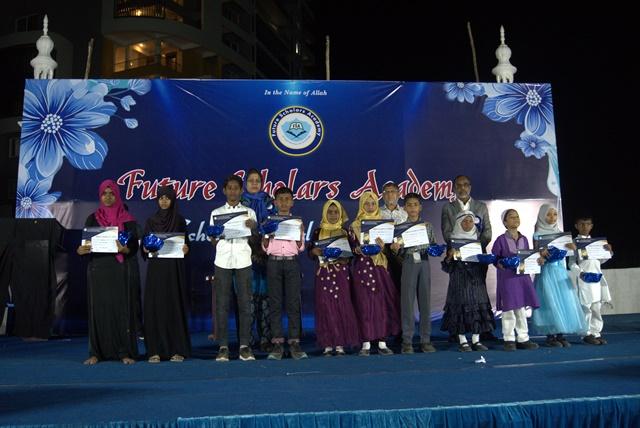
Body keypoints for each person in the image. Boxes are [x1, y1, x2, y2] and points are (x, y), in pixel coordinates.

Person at [76, 180, 139, 365]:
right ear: (100, 196)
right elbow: (85, 245)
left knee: (121, 311)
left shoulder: (128, 219)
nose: (108, 197)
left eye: (112, 193)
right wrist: (80, 251)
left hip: (119, 269)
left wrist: (125, 249)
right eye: (105, 193)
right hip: (97, 269)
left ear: (117, 195)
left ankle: (124, 352)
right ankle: (96, 353)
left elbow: (134, 246)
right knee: (98, 311)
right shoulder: (92, 218)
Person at [141, 185, 192, 363]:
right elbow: (144, 245)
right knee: (156, 307)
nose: (164, 201)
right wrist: (145, 248)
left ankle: (176, 350)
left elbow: (187, 244)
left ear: (173, 200)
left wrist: (186, 249)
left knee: (173, 306)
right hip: (156, 270)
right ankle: (155, 350)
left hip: (173, 270)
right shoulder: (151, 221)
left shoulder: (179, 220)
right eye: (161, 198)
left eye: (167, 198)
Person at [441, 175, 494, 342]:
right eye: (458, 185)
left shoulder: (481, 206)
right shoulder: (448, 208)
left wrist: (475, 247)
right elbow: (446, 232)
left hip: (477, 256)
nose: (462, 188)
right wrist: (459, 247)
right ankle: (456, 330)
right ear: (454, 188)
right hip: (456, 257)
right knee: (457, 291)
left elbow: (487, 232)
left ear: (470, 187)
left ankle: (483, 329)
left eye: (465, 185)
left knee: (479, 290)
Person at [209, 175, 257, 362]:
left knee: (245, 304)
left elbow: (255, 240)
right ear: (224, 190)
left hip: (243, 260)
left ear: (241, 190)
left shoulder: (249, 213)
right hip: (222, 261)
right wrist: (215, 236)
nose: (233, 191)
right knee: (222, 305)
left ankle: (244, 346)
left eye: (236, 188)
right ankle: (223, 347)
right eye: (229, 188)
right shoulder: (216, 213)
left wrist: (253, 227)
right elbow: (213, 241)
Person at [349, 191, 401, 356]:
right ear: (361, 205)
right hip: (362, 268)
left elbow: (391, 249)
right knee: (363, 304)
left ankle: (382, 342)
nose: (370, 206)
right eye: (367, 203)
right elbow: (352, 248)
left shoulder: (384, 225)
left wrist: (385, 247)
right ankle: (365, 343)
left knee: (381, 304)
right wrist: (357, 249)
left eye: (373, 203)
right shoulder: (355, 225)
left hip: (380, 267)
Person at [308, 200, 360, 356]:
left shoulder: (345, 232)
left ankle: (340, 343)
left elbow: (352, 252)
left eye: (336, 212)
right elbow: (310, 251)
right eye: (329, 212)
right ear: (324, 213)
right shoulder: (318, 232)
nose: (332, 215)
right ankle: (327, 343)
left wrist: (346, 258)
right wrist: (314, 251)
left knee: (341, 305)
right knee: (325, 306)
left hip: (341, 274)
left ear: (340, 214)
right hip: (324, 273)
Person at [530, 204, 586, 347]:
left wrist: (572, 248)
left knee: (563, 301)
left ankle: (560, 334)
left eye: (555, 214)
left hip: (560, 272)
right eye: (548, 214)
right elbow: (535, 255)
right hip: (547, 272)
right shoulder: (538, 234)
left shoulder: (561, 234)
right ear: (542, 216)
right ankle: (550, 335)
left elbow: (568, 253)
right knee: (549, 302)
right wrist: (540, 252)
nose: (552, 217)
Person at [262, 187, 307, 360]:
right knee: (275, 303)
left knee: (293, 303)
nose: (284, 202)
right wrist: (267, 234)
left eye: (287, 199)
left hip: (291, 263)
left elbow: (300, 247)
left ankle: (294, 342)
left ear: (292, 202)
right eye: (280, 199)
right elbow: (265, 247)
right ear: (275, 202)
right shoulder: (269, 221)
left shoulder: (297, 222)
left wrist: (300, 232)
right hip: (273, 262)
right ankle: (277, 343)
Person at [390, 193, 437, 353]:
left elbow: (433, 246)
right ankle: (407, 341)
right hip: (408, 263)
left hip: (424, 262)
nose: (412, 208)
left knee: (425, 303)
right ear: (404, 208)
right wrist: (395, 249)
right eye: (409, 205)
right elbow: (397, 251)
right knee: (407, 303)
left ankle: (425, 340)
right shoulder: (399, 228)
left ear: (420, 207)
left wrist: (436, 249)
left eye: (415, 204)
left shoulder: (427, 226)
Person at [491, 209, 540, 351]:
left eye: (517, 216)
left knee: (521, 309)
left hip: (521, 278)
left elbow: (527, 256)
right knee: (508, 310)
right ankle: (509, 339)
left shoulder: (524, 239)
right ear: (505, 222)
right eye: (511, 217)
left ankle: (523, 338)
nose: (515, 219)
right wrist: (499, 263)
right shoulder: (500, 240)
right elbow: (495, 258)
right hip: (507, 278)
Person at [240, 168, 275, 352]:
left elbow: (274, 225)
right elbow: (238, 228)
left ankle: (266, 339)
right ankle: (248, 340)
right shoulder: (240, 202)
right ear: (245, 183)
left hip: (267, 254)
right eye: (251, 180)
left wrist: (264, 247)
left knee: (266, 300)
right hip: (246, 256)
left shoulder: (269, 201)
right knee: (250, 300)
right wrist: (253, 249)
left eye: (257, 181)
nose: (254, 183)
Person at [570, 215, 613, 345]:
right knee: (586, 307)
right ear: (576, 226)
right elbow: (571, 263)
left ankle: (596, 332)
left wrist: (608, 252)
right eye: (582, 224)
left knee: (596, 307)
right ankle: (586, 333)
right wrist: (580, 273)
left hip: (597, 278)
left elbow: (600, 260)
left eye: (588, 224)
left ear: (591, 226)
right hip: (584, 279)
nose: (585, 227)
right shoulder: (574, 243)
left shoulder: (597, 243)